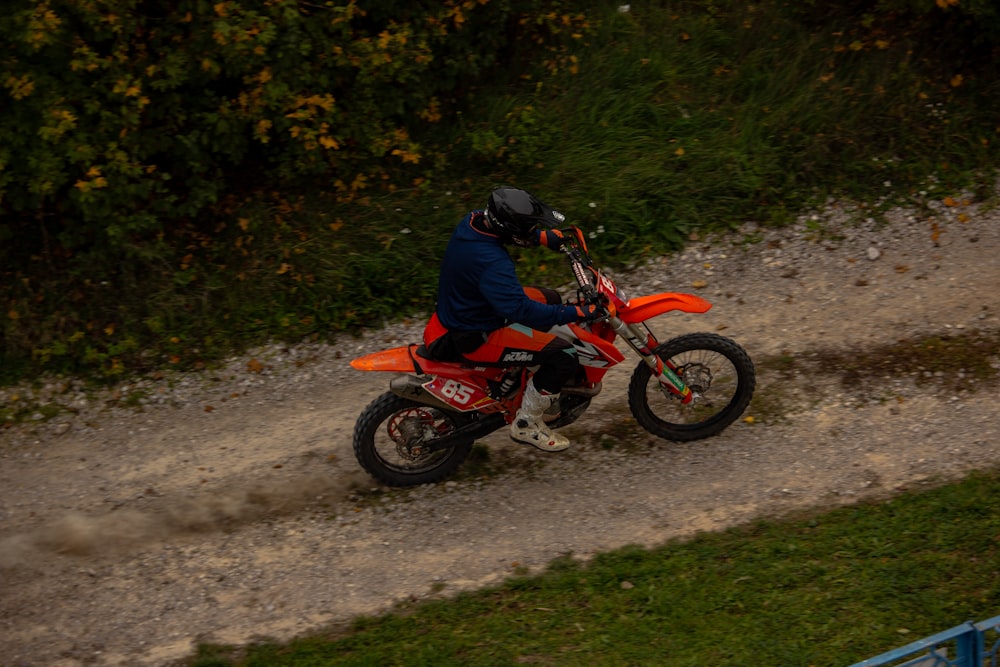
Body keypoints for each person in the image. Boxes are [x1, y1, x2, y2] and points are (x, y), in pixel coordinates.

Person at [423, 187, 605, 452]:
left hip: (469, 307)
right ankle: (527, 424)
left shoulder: (473, 221)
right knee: (563, 355)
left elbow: (511, 235)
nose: (532, 231)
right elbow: (522, 311)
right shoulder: (492, 262)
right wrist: (578, 313)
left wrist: (544, 238)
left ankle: (528, 380)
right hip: (477, 332)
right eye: (529, 228)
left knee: (552, 298)